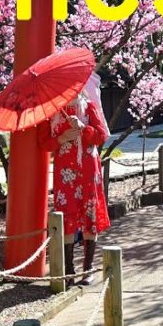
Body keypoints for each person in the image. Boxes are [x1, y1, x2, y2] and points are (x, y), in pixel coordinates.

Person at [47, 87, 111, 285]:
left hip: (88, 170)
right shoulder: (51, 113)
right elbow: (43, 143)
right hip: (65, 171)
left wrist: (83, 128)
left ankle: (88, 270)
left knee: (89, 213)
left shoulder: (88, 106)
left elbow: (101, 136)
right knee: (66, 214)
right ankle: (69, 270)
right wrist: (61, 138)